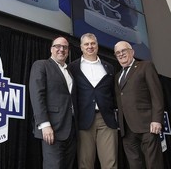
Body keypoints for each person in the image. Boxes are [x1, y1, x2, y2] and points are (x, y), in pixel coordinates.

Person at [68, 33, 118, 169]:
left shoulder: (109, 67)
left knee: (110, 163)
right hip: (84, 120)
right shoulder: (72, 67)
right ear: (81, 47)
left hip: (106, 119)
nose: (90, 46)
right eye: (86, 44)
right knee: (85, 163)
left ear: (97, 45)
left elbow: (114, 94)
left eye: (93, 43)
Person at [114, 41, 164, 169]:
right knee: (134, 164)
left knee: (153, 163)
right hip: (127, 129)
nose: (121, 54)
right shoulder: (118, 76)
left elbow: (156, 95)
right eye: (117, 53)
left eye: (123, 51)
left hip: (147, 124)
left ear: (132, 52)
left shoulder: (145, 66)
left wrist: (156, 120)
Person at [29, 36, 77, 169]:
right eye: (57, 46)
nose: (61, 49)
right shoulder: (41, 65)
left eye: (65, 47)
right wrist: (44, 124)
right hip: (52, 128)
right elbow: (37, 95)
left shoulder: (70, 72)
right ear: (51, 49)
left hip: (71, 130)